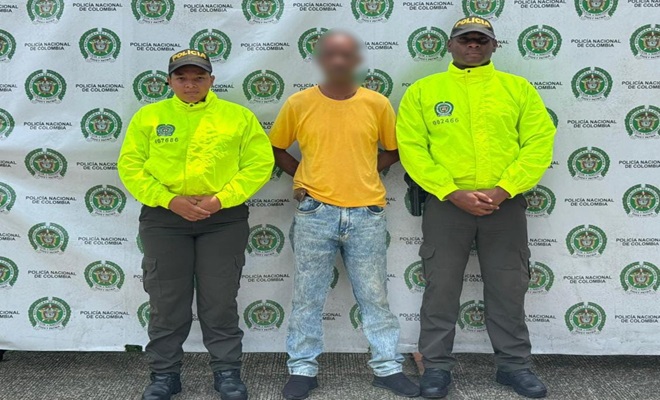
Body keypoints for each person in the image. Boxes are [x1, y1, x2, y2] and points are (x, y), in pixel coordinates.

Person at [396, 17, 556, 399]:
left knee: (508, 287)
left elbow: (538, 143)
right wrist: (452, 192)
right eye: (465, 39)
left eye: (481, 40)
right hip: (446, 205)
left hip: (505, 206)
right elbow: (412, 149)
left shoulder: (517, 89)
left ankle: (514, 367)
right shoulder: (423, 91)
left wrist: (503, 190)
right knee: (441, 288)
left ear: (494, 46)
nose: (473, 45)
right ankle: (436, 367)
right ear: (449, 45)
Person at [269, 31, 420, 400]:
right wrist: (305, 177)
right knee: (307, 295)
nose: (338, 61)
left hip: (367, 213)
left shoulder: (377, 104)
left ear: (357, 61)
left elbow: (395, 149)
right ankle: (302, 369)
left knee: (374, 295)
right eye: (331, 55)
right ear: (320, 60)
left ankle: (387, 367)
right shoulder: (299, 103)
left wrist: (365, 169)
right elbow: (276, 147)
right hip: (315, 213)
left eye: (346, 55)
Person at [118, 49, 274, 400]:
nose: (190, 85)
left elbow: (258, 164)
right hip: (164, 219)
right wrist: (169, 200)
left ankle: (227, 373)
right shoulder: (149, 117)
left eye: (199, 77)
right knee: (166, 301)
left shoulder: (237, 117)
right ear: (169, 81)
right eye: (182, 78)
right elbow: (131, 166)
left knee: (220, 300)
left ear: (211, 80)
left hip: (222, 219)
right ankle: (164, 375)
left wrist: (221, 199)